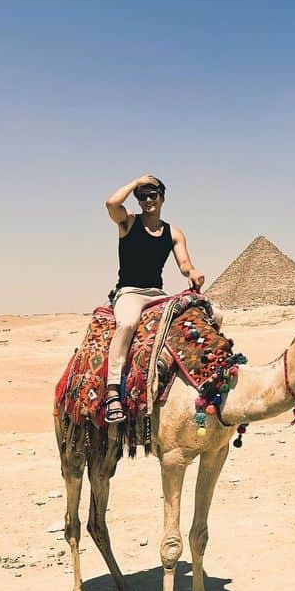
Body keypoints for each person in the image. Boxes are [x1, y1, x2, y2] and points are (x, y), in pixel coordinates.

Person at [102, 175, 204, 423]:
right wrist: (136, 182)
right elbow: (111, 204)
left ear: (162, 198)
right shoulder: (127, 222)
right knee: (127, 323)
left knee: (201, 320)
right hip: (129, 292)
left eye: (152, 195)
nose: (148, 200)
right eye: (142, 195)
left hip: (157, 294)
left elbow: (184, 264)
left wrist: (193, 273)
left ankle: (200, 379)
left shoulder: (174, 233)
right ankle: (113, 389)